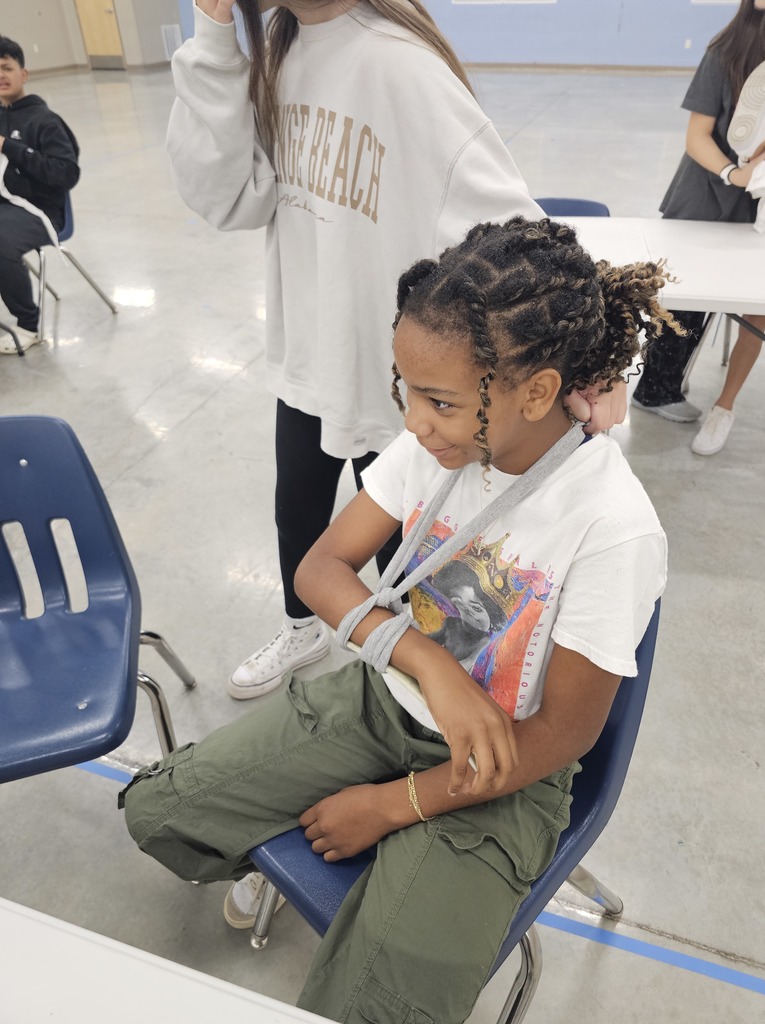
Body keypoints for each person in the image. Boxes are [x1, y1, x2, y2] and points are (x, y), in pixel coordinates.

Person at [121, 216, 672, 1024]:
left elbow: (563, 735)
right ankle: (319, 846)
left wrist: (393, 806)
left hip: (503, 767)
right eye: (405, 391)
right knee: (157, 813)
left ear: (537, 392)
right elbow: (319, 570)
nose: (413, 422)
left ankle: (387, 862)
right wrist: (431, 665)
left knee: (375, 1006)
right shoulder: (438, 447)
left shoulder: (612, 524)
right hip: (385, 703)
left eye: (439, 401)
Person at [168, 0, 624, 701]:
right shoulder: (279, 53)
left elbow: (518, 234)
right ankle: (303, 630)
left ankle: (414, 683)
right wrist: (212, 35)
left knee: (410, 553)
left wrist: (594, 360)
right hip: (309, 358)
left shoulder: (399, 66)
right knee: (298, 516)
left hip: (400, 382)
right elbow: (227, 199)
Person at [630, 0, 765, 456]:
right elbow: (697, 136)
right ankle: (656, 390)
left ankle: (719, 405)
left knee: (755, 305)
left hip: (758, 207)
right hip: (706, 195)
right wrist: (734, 173)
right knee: (684, 301)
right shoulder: (725, 52)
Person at [0, 35, 80, 354]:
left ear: (23, 74)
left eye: (6, 68)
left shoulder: (45, 121)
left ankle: (28, 324)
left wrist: (10, 146)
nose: (1, 76)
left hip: (41, 212)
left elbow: (66, 173)